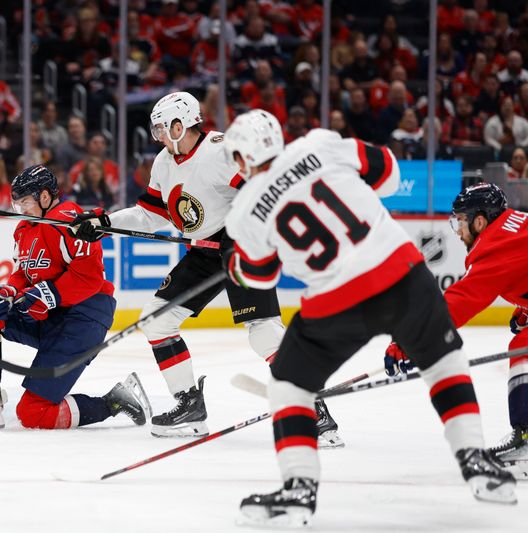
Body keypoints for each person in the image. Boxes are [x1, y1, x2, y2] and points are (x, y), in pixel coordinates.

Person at [220, 110, 515, 526]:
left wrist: (235, 265)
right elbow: (389, 175)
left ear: (245, 157)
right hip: (402, 275)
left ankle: (298, 490)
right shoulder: (319, 145)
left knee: (289, 385)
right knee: (443, 363)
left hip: (335, 299)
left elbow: (258, 276)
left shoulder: (245, 210)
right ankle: (475, 460)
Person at [68, 92, 297, 441]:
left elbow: (263, 191)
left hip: (242, 244)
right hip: (206, 251)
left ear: (180, 124)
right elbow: (149, 214)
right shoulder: (163, 162)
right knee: (157, 318)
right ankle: (189, 406)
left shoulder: (220, 151)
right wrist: (103, 223)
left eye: (161, 128)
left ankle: (311, 409)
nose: (157, 135)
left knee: (262, 330)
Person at [0, 165, 151, 430]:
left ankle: (115, 401)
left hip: (83, 320)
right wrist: (10, 292)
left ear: (45, 197)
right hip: (48, 315)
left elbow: (89, 278)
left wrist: (49, 293)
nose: (21, 210)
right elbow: (23, 273)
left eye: (26, 203)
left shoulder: (70, 220)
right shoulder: (23, 229)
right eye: (17, 204)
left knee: (34, 413)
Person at [384, 182, 528, 480]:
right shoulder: (516, 224)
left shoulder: (496, 246)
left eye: (461, 221)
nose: (457, 229)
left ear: (479, 220)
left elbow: (459, 301)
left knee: (524, 350)